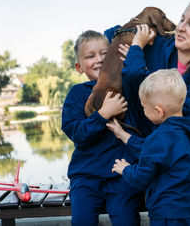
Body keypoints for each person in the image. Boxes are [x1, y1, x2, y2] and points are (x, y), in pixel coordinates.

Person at [105, 0, 190, 226]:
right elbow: (109, 34)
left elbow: (177, 110)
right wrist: (134, 40)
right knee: (125, 195)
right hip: (142, 137)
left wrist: (135, 58)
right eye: (182, 19)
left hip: (184, 142)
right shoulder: (157, 44)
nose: (181, 27)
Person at [61, 30, 142, 226]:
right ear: (79, 67)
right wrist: (103, 113)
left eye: (105, 53)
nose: (99, 60)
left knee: (126, 220)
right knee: (82, 221)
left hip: (121, 174)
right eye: (91, 56)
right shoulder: (78, 94)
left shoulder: (127, 88)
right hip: (86, 176)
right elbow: (77, 133)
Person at [110, 69, 190, 226]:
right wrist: (123, 135)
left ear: (158, 111)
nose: (143, 111)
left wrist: (125, 169)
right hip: (187, 208)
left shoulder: (158, 138)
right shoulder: (189, 129)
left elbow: (141, 178)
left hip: (165, 211)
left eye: (144, 107)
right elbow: (156, 152)